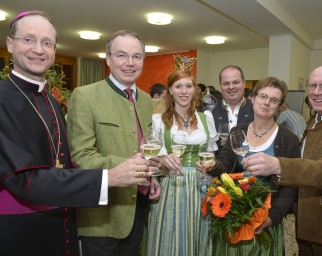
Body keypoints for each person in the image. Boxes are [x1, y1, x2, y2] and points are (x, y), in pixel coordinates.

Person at [0, 11, 157, 256]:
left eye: (47, 43)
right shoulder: (5, 97)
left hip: (62, 218)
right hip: (23, 227)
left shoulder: (49, 99)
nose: (39, 50)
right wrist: (112, 176)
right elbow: (28, 178)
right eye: (28, 40)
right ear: (10, 44)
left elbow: (62, 163)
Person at [243, 65, 322, 256]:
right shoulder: (316, 119)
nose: (316, 92)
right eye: (312, 86)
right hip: (307, 224)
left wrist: (279, 165)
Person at [67, 30, 161, 256]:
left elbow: (144, 146)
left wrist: (152, 176)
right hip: (102, 217)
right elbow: (81, 156)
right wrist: (130, 166)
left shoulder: (147, 100)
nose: (130, 63)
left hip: (138, 207)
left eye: (137, 56)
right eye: (121, 55)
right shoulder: (85, 95)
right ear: (108, 59)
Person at [197, 76, 300, 255]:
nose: (266, 103)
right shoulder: (238, 131)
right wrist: (213, 165)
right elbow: (225, 168)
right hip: (236, 216)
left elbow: (291, 187)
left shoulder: (288, 139)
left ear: (280, 105)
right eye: (263, 96)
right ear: (253, 97)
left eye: (274, 100)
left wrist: (272, 217)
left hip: (265, 217)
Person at [145, 70, 219, 256]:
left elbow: (211, 155)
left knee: (199, 235)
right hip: (172, 185)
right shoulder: (159, 120)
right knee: (171, 237)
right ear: (170, 90)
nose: (184, 91)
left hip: (201, 185)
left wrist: (209, 164)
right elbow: (152, 160)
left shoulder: (206, 119)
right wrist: (163, 160)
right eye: (178, 86)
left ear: (195, 90)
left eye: (188, 86)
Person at [211, 65, 254, 154]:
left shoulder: (256, 111)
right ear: (220, 86)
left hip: (248, 166)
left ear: (244, 83)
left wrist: (236, 141)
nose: (231, 87)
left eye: (236, 82)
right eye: (226, 83)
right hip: (217, 166)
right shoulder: (209, 112)